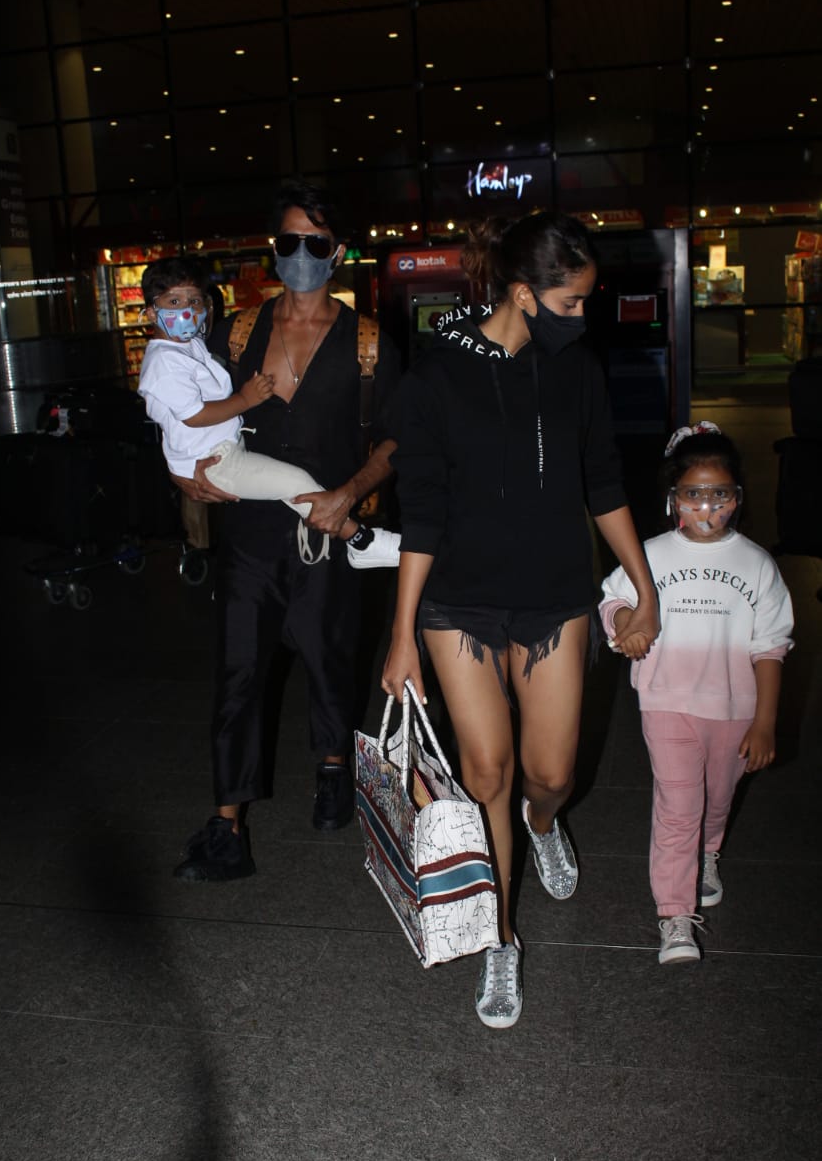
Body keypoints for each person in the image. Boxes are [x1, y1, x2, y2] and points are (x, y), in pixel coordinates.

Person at [381, 211, 660, 1029]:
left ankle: (543, 825)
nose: (582, 317)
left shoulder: (575, 370)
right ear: (521, 293)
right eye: (570, 303)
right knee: (487, 774)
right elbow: (420, 512)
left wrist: (642, 589)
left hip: (551, 595)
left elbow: (602, 481)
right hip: (457, 602)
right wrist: (401, 635)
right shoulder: (434, 377)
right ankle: (499, 937)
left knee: (549, 774)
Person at [167, 181, 403, 881]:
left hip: (331, 528)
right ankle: (226, 825)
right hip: (249, 532)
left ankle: (332, 766)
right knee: (239, 669)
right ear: (274, 248)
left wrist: (352, 491)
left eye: (315, 242)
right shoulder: (234, 333)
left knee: (332, 657)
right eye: (289, 240)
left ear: (338, 252)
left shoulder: (368, 342)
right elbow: (180, 410)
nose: (301, 253)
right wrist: (180, 475)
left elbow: (399, 436)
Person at [598, 422, 794, 965]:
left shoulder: (757, 564)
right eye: (693, 494)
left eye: (719, 494)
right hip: (666, 702)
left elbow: (771, 648)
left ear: (738, 497)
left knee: (718, 798)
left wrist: (765, 722)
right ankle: (675, 915)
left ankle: (707, 853)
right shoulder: (650, 555)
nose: (706, 506)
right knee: (678, 807)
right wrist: (624, 623)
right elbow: (613, 598)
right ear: (672, 499)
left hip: (734, 709)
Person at [137, 254, 401, 567]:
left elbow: (398, 433)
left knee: (294, 485)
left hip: (312, 553)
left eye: (193, 301)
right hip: (226, 484)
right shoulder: (215, 339)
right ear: (151, 312)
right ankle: (360, 540)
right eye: (174, 301)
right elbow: (188, 415)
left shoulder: (192, 344)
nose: (187, 310)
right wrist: (181, 467)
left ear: (338, 253)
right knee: (296, 483)